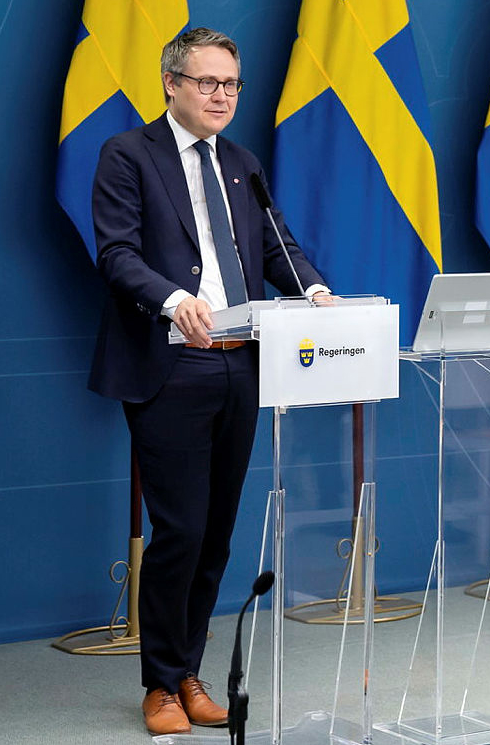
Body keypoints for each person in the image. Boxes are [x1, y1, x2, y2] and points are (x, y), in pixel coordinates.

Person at [87, 28, 330, 735]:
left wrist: (316, 293)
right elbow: (117, 254)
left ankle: (188, 672)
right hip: (171, 363)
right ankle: (161, 685)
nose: (222, 96)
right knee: (181, 529)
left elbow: (278, 247)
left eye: (231, 84)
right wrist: (173, 299)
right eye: (207, 82)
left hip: (240, 363)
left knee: (217, 533)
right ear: (172, 83)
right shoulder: (128, 154)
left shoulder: (242, 164)